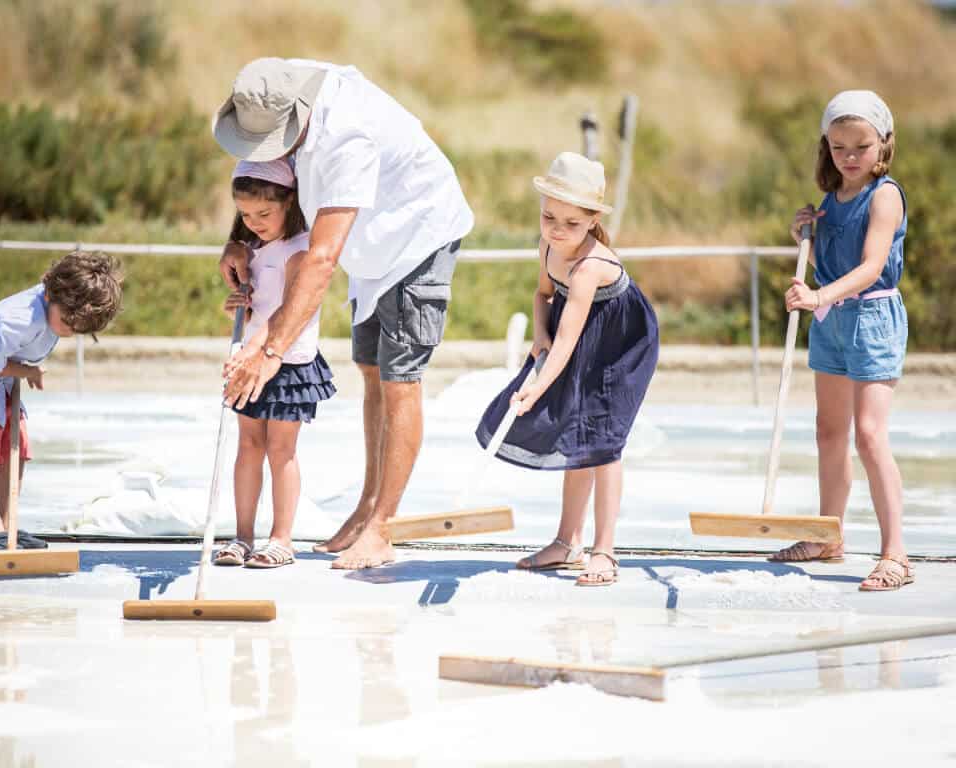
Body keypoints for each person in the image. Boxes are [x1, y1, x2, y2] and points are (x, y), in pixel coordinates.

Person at [212, 58, 473, 569]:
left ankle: (382, 528)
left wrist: (270, 350)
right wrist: (239, 239)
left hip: (415, 236)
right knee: (371, 370)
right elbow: (266, 185)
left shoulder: (345, 136)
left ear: (298, 121)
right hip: (371, 247)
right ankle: (365, 509)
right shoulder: (280, 84)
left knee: (401, 379)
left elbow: (322, 258)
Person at [476, 152, 659, 586]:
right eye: (549, 217)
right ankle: (566, 542)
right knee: (575, 434)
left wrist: (536, 389)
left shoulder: (590, 267)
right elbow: (543, 297)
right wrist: (538, 333)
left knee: (604, 443)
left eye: (572, 224)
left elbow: (569, 340)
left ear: (593, 219)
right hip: (569, 336)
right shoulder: (548, 247)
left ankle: (605, 551)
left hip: (619, 346)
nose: (557, 230)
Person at [769, 90, 912, 592]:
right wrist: (803, 241)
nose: (850, 158)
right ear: (825, 147)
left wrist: (816, 295)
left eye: (861, 146)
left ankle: (896, 553)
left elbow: (871, 268)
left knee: (870, 436)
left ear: (883, 144)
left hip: (872, 319)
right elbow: (833, 268)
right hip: (831, 318)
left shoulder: (885, 195)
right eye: (838, 148)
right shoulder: (833, 200)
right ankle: (829, 536)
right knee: (829, 432)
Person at [0, 250, 123, 550]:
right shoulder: (21, 320)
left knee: (17, 448)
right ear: (55, 295)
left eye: (78, 329)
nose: (70, 331)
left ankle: (7, 524)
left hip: (1, 382)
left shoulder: (57, 310)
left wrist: (22, 370)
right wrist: (26, 370)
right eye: (69, 323)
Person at [212, 158, 336, 569]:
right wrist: (240, 307)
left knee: (280, 450)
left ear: (289, 202)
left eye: (264, 213)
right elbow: (260, 310)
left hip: (289, 364)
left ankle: (282, 538)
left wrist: (258, 346)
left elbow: (288, 311)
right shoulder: (255, 250)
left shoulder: (300, 250)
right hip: (252, 361)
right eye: (246, 215)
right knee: (247, 447)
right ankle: (242, 536)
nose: (255, 222)